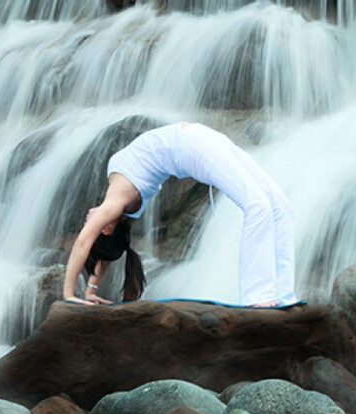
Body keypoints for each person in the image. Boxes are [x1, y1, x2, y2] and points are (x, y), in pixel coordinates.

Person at [63, 121, 296, 307]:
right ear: (105, 228)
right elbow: (85, 243)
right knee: (258, 206)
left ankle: (284, 294)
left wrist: (91, 288)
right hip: (193, 148)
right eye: (89, 224)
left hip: (203, 138)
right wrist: (69, 294)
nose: (86, 222)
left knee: (281, 207)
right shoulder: (114, 206)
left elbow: (108, 250)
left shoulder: (121, 213)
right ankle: (256, 297)